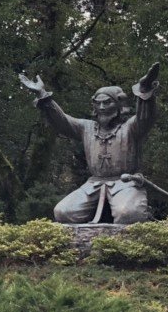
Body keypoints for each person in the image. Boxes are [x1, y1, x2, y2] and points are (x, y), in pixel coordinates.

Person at [18, 63, 160, 224]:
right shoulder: (86, 127)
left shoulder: (130, 128)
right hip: (93, 185)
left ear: (119, 105)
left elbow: (145, 117)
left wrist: (145, 90)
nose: (102, 107)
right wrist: (43, 95)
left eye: (107, 102)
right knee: (62, 212)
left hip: (125, 183)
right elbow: (62, 121)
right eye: (98, 103)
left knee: (127, 214)